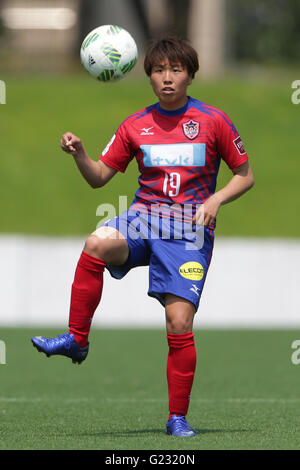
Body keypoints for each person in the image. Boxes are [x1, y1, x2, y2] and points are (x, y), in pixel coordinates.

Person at [32, 36, 254, 437]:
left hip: (188, 232)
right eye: (158, 70)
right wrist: (80, 153)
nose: (167, 78)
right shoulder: (135, 124)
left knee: (178, 324)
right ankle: (77, 340)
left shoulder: (213, 121)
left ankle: (177, 418)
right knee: (96, 242)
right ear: (149, 75)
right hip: (143, 219)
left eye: (176, 70)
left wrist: (216, 199)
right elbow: (100, 178)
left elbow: (245, 176)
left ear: (190, 75)